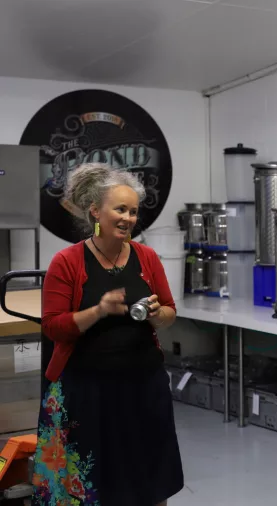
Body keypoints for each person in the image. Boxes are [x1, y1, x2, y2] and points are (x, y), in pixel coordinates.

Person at [33, 163, 184, 506]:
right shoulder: (67, 261)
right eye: (120, 209)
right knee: (89, 485)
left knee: (150, 480)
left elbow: (170, 311)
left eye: (133, 211)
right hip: (87, 392)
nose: (129, 218)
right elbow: (53, 326)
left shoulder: (147, 257)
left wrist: (158, 315)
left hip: (143, 388)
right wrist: (98, 311)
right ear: (95, 212)